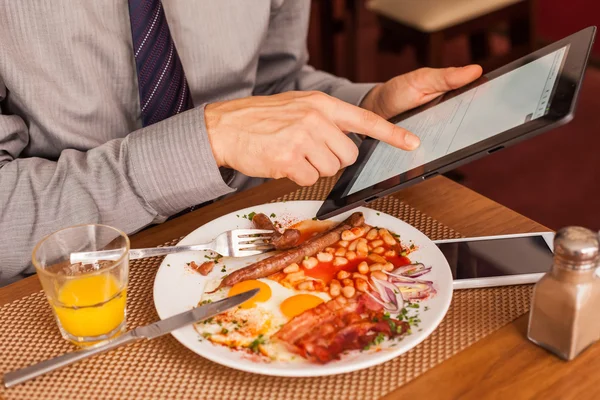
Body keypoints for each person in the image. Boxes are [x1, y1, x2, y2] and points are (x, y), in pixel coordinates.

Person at [0, 1, 482, 285]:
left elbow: (276, 84)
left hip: (250, 253)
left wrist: (368, 110)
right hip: (75, 284)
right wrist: (203, 142)